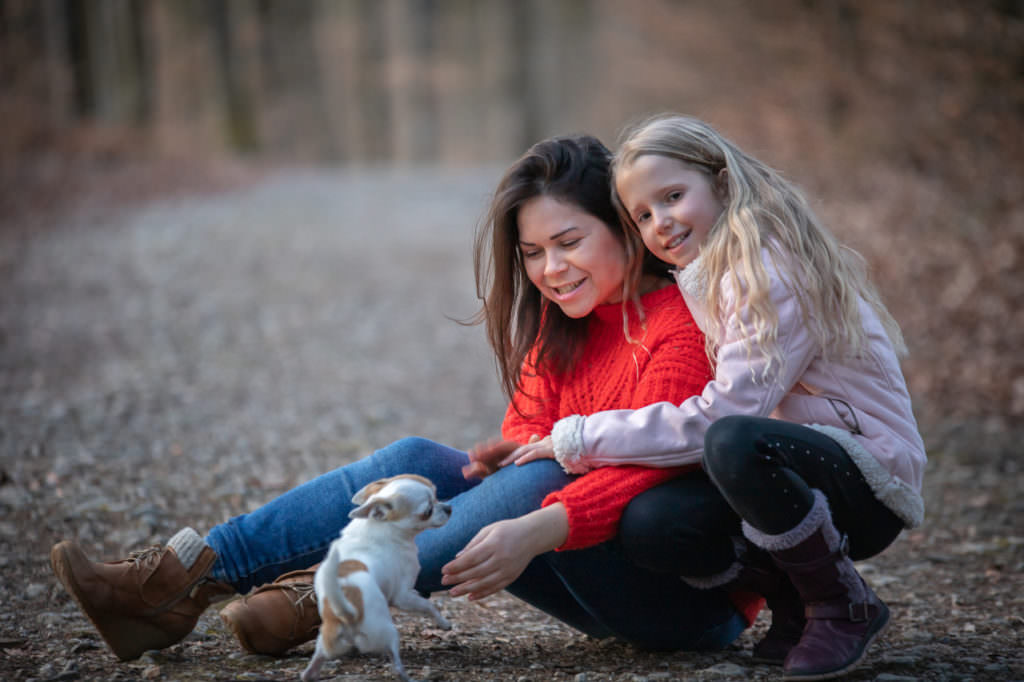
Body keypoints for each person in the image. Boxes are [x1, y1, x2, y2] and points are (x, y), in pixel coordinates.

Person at [49, 134, 760, 665]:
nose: (550, 269)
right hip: (584, 556)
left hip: (688, 602)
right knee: (422, 457)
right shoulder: (566, 330)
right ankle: (181, 580)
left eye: (568, 242)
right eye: (533, 253)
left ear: (626, 231)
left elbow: (651, 470)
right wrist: (495, 465)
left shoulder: (681, 328)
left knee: (548, 474)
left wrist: (528, 508)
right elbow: (527, 442)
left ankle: (329, 594)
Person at [503, 115, 927, 680]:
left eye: (674, 196)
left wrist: (583, 436)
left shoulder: (769, 271)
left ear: (723, 183)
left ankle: (841, 603)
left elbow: (726, 416)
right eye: (643, 215)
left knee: (730, 440)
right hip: (795, 466)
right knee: (653, 522)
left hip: (867, 476)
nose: (662, 223)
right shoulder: (708, 274)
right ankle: (795, 600)